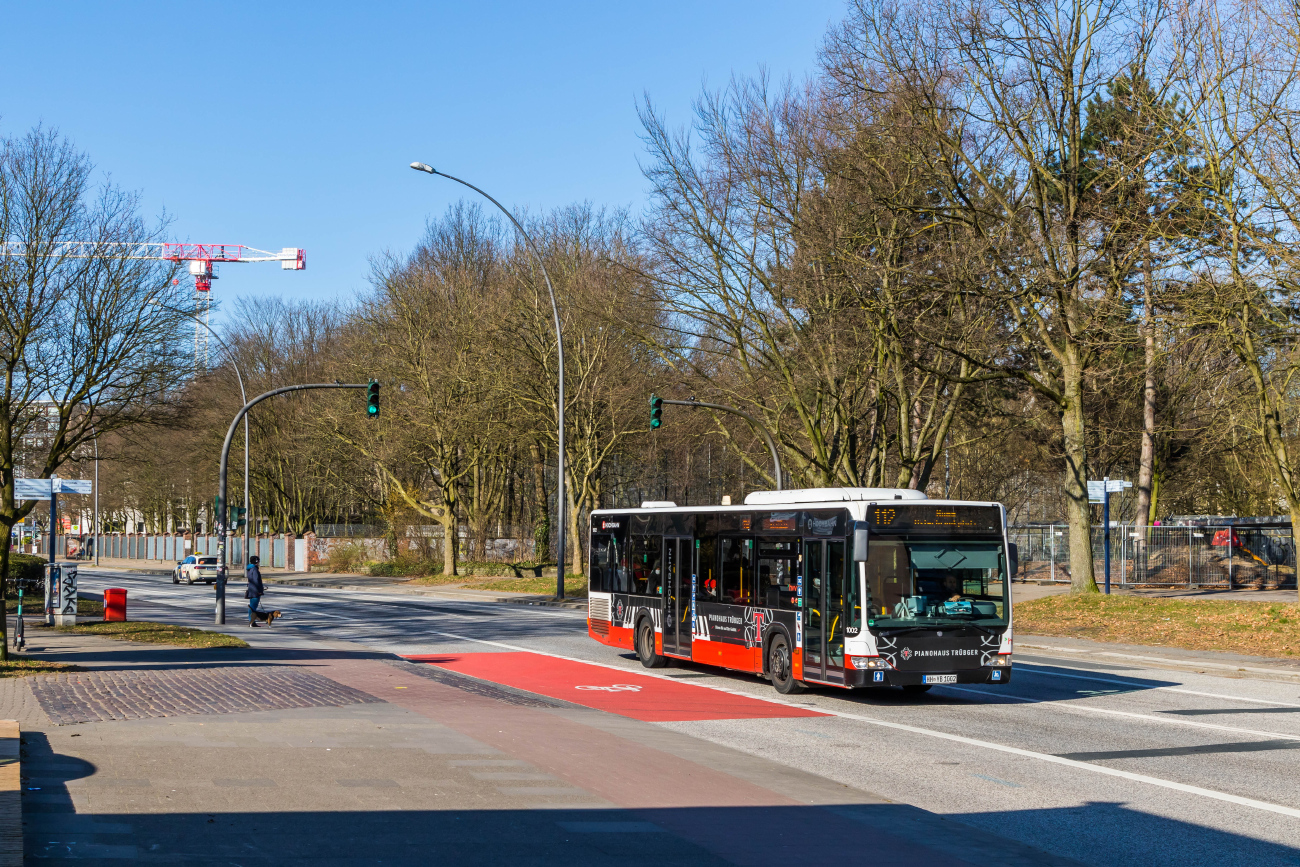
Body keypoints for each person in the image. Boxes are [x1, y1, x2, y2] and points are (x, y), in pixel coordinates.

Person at [245, 555, 265, 626]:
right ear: (256, 561)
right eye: (258, 561)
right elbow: (256, 581)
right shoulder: (255, 569)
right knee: (253, 607)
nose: (259, 562)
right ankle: (252, 621)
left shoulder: (250, 569)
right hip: (255, 591)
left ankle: (251, 621)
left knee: (251, 606)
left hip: (251, 590)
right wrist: (259, 591)